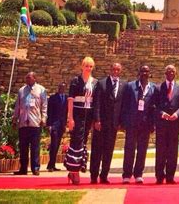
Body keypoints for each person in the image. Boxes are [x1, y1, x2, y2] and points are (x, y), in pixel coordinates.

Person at [121, 64, 158, 184]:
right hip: (132, 123)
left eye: (147, 71)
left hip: (145, 124)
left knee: (142, 149)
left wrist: (153, 124)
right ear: (139, 73)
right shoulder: (130, 86)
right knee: (129, 149)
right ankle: (126, 174)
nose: (145, 73)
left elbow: (154, 108)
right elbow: (124, 105)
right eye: (142, 71)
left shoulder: (153, 88)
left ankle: (138, 174)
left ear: (149, 73)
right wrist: (123, 122)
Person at [90, 63, 125, 184]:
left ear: (120, 71)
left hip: (114, 124)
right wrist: (97, 120)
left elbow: (123, 106)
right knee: (97, 150)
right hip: (101, 123)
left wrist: (121, 122)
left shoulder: (123, 85)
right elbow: (97, 103)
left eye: (118, 69)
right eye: (114, 69)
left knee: (108, 151)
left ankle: (104, 175)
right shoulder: (102, 83)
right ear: (110, 70)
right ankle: (94, 176)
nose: (115, 71)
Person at [65, 57, 98, 185]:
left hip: (88, 114)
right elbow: (71, 100)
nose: (88, 68)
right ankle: (73, 171)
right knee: (76, 141)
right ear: (82, 66)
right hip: (77, 113)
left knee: (83, 141)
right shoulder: (76, 81)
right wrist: (70, 118)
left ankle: (76, 168)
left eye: (90, 66)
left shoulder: (94, 82)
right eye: (86, 66)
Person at [13, 72, 48, 176]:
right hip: (23, 123)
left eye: (29, 77)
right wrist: (15, 119)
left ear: (34, 78)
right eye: (26, 77)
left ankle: (35, 168)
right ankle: (23, 168)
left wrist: (44, 118)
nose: (27, 79)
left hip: (35, 123)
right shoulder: (21, 90)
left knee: (35, 147)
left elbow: (44, 105)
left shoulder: (41, 90)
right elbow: (17, 106)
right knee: (23, 147)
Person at [155, 64, 179, 184]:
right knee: (161, 150)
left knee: (173, 150)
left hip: (174, 123)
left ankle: (170, 176)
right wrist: (162, 113)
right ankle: (160, 176)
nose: (171, 73)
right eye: (168, 71)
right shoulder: (158, 88)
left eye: (173, 71)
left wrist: (177, 114)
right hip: (162, 124)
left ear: (175, 73)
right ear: (165, 73)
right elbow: (154, 106)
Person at [46, 82, 68, 172]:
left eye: (63, 87)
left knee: (57, 145)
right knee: (54, 144)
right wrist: (49, 124)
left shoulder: (67, 98)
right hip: (54, 124)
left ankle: (52, 165)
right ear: (58, 88)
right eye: (60, 87)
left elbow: (66, 112)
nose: (61, 89)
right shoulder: (53, 98)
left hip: (62, 125)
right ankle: (50, 165)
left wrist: (65, 124)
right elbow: (49, 111)